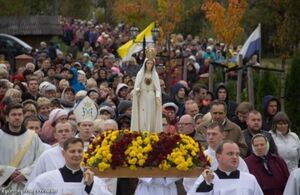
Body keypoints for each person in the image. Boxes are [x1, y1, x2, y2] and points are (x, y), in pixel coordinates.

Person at [26, 137, 112, 195]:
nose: (77, 154)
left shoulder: (94, 182)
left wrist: (90, 187)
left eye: (80, 151)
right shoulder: (46, 180)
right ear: (63, 153)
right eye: (72, 151)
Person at [183, 123, 249, 193]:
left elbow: (245, 180)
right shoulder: (199, 158)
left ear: (223, 135)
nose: (210, 137)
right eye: (208, 134)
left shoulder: (235, 158)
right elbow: (188, 182)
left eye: (214, 134)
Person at [187, 140, 263, 195]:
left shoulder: (250, 179)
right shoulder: (207, 178)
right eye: (230, 154)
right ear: (218, 156)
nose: (235, 157)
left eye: (237, 154)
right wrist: (206, 185)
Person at [0, 103, 45, 193]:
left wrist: (24, 173)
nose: (17, 117)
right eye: (13, 114)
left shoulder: (33, 137)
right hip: (3, 186)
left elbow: (41, 159)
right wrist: (8, 172)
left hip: (26, 185)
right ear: (7, 117)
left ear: (23, 117)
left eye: (20, 114)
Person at [131, 47, 162, 133]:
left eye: (151, 63)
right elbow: (137, 85)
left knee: (151, 115)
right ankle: (142, 130)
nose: (149, 65)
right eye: (148, 63)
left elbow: (157, 89)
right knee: (143, 114)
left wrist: (157, 96)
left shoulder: (155, 75)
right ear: (145, 64)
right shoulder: (140, 74)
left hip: (151, 97)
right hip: (143, 96)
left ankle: (151, 131)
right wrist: (137, 90)